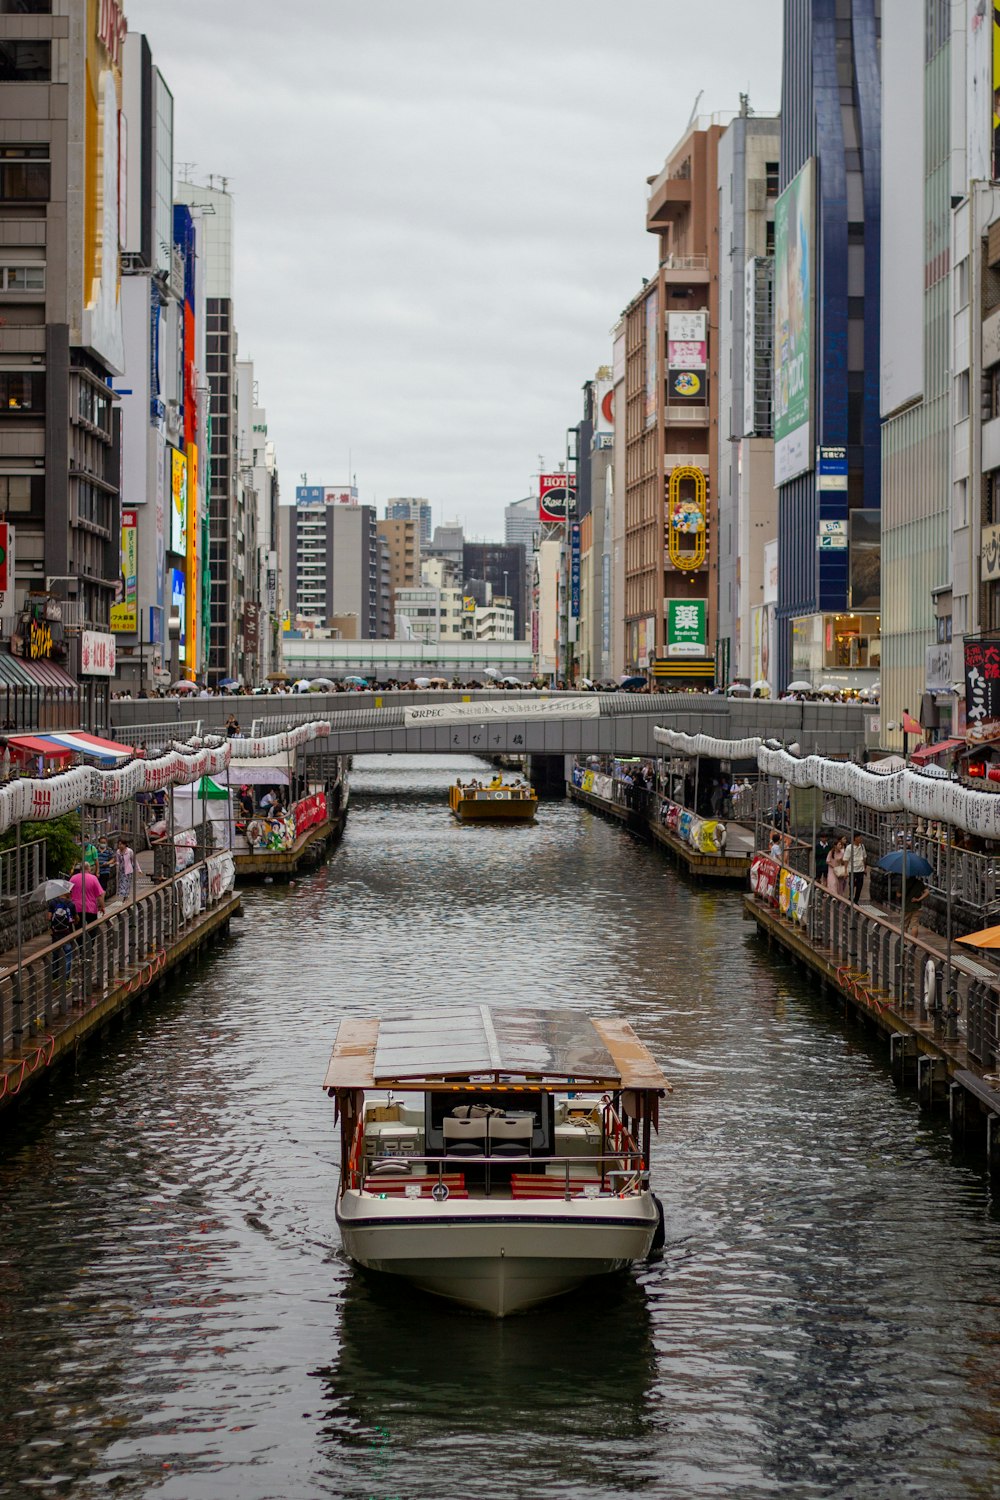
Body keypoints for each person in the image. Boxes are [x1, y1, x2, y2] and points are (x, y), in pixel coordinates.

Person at [49, 893, 75, 982]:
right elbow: (75, 918)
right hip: (67, 933)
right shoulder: (70, 904)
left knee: (55, 955)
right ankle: (66, 978)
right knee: (68, 954)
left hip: (56, 934)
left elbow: (49, 917)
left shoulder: (52, 902)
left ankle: (55, 978)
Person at [848, 833, 867, 901]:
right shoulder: (849, 847)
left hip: (860, 870)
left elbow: (864, 857)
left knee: (859, 886)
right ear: (855, 838)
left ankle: (856, 900)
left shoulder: (862, 846)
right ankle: (851, 897)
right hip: (852, 870)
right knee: (851, 884)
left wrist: (864, 868)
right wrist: (845, 870)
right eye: (859, 837)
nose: (860, 839)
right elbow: (846, 859)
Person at [116, 837, 135, 902]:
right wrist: (117, 864)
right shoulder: (118, 851)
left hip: (128, 870)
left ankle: (126, 896)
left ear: (125, 844)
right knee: (121, 883)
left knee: (126, 883)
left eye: (121, 844)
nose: (120, 846)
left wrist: (138, 869)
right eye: (119, 844)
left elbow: (134, 860)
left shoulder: (129, 851)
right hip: (121, 870)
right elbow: (118, 860)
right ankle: (125, 896)